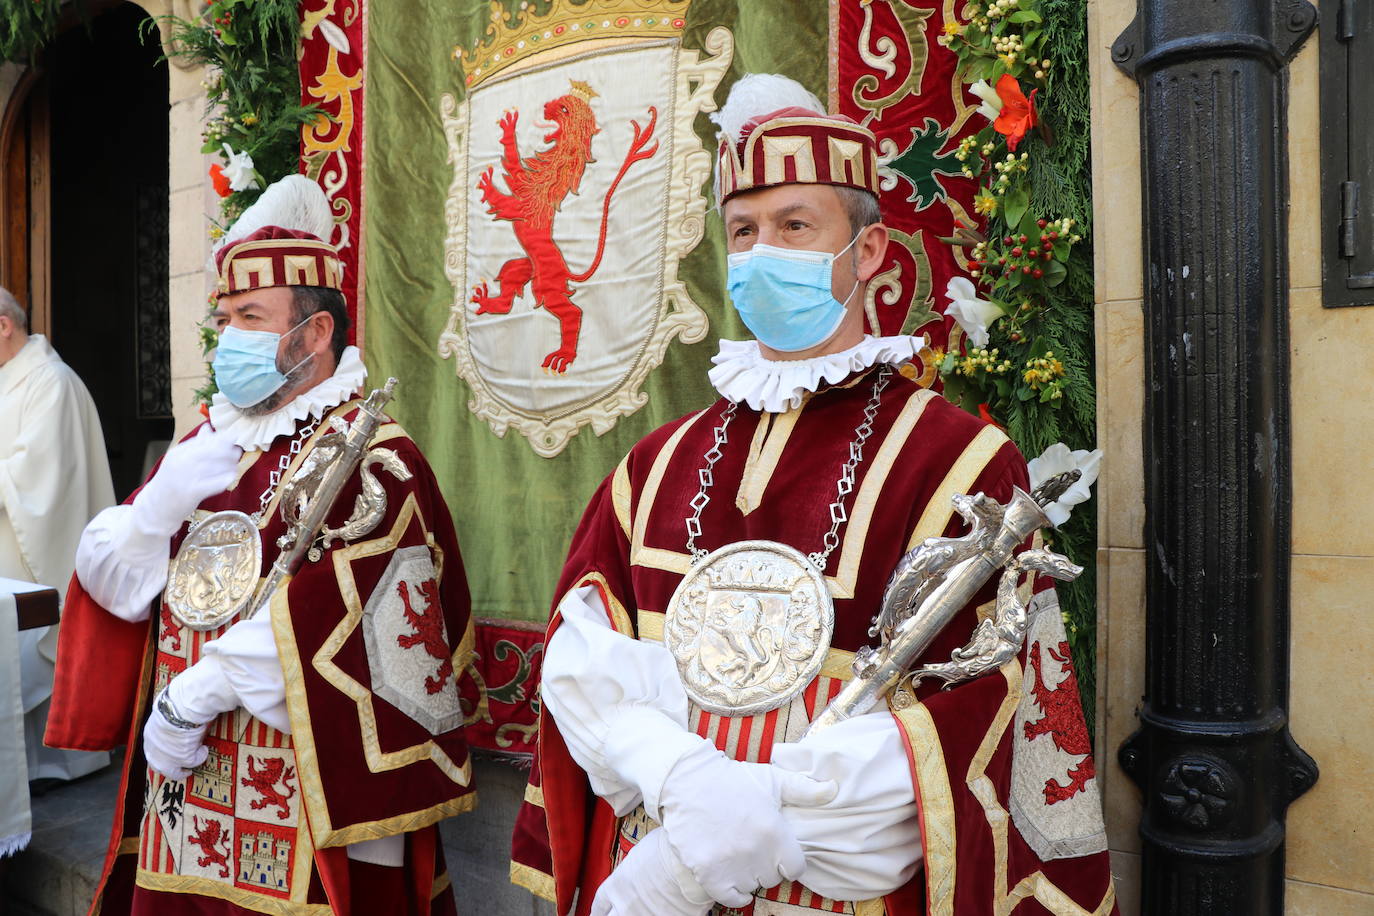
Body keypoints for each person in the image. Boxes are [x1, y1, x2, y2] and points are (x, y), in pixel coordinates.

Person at [509, 75, 1118, 915]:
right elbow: (580, 654)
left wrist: (752, 826)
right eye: (745, 232)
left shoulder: (961, 463)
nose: (764, 254)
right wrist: (677, 773)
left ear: (865, 252)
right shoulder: (654, 465)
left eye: (796, 226)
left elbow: (980, 712)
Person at [44, 176, 476, 916]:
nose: (229, 339)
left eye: (250, 317)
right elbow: (109, 580)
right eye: (225, 319)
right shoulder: (209, 442)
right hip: (189, 803)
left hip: (307, 804)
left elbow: (356, 624)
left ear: (313, 335)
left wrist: (195, 696)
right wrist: (159, 508)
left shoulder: (374, 457)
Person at [0, 286, 114, 788]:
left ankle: (49, 766)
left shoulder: (52, 382)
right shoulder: (11, 382)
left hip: (32, 552)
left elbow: (39, 479)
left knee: (30, 649)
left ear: (4, 325)